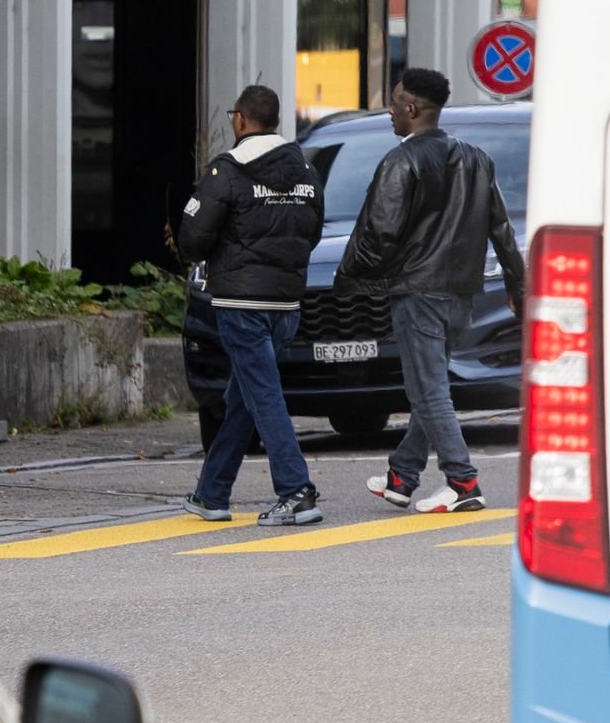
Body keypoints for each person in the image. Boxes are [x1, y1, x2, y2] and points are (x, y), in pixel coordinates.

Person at [332, 66, 523, 515]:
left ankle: (463, 481)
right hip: (462, 294)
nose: (391, 112)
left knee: (428, 391)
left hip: (418, 291)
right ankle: (402, 477)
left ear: (412, 108)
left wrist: (349, 279)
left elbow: (378, 233)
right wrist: (518, 284)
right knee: (430, 386)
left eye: (395, 103)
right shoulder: (477, 159)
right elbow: (501, 227)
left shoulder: (401, 161)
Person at [172, 85, 327, 528]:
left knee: (263, 395)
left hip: (242, 303)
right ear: (275, 120)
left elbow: (192, 239)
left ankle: (296, 490)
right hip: (287, 304)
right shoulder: (303, 169)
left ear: (240, 120)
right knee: (243, 397)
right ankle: (211, 493)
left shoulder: (228, 171)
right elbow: (312, 231)